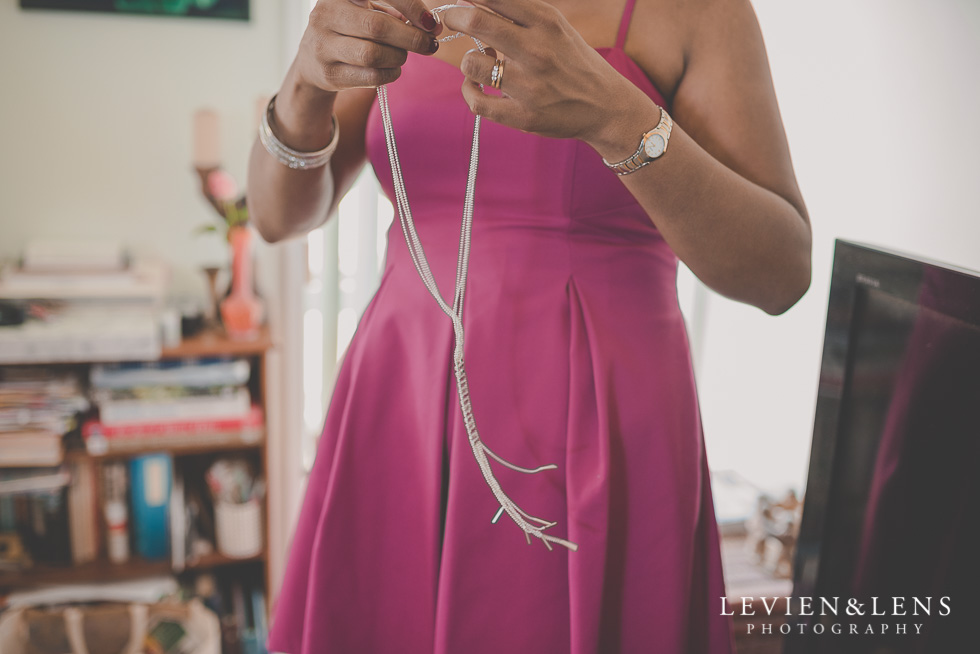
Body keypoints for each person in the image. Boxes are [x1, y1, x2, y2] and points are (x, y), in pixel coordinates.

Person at [248, 0, 811, 652]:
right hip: (401, 398)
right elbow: (276, 218)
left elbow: (782, 273)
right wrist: (305, 82)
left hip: (597, 417)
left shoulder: (697, 11)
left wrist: (617, 118)